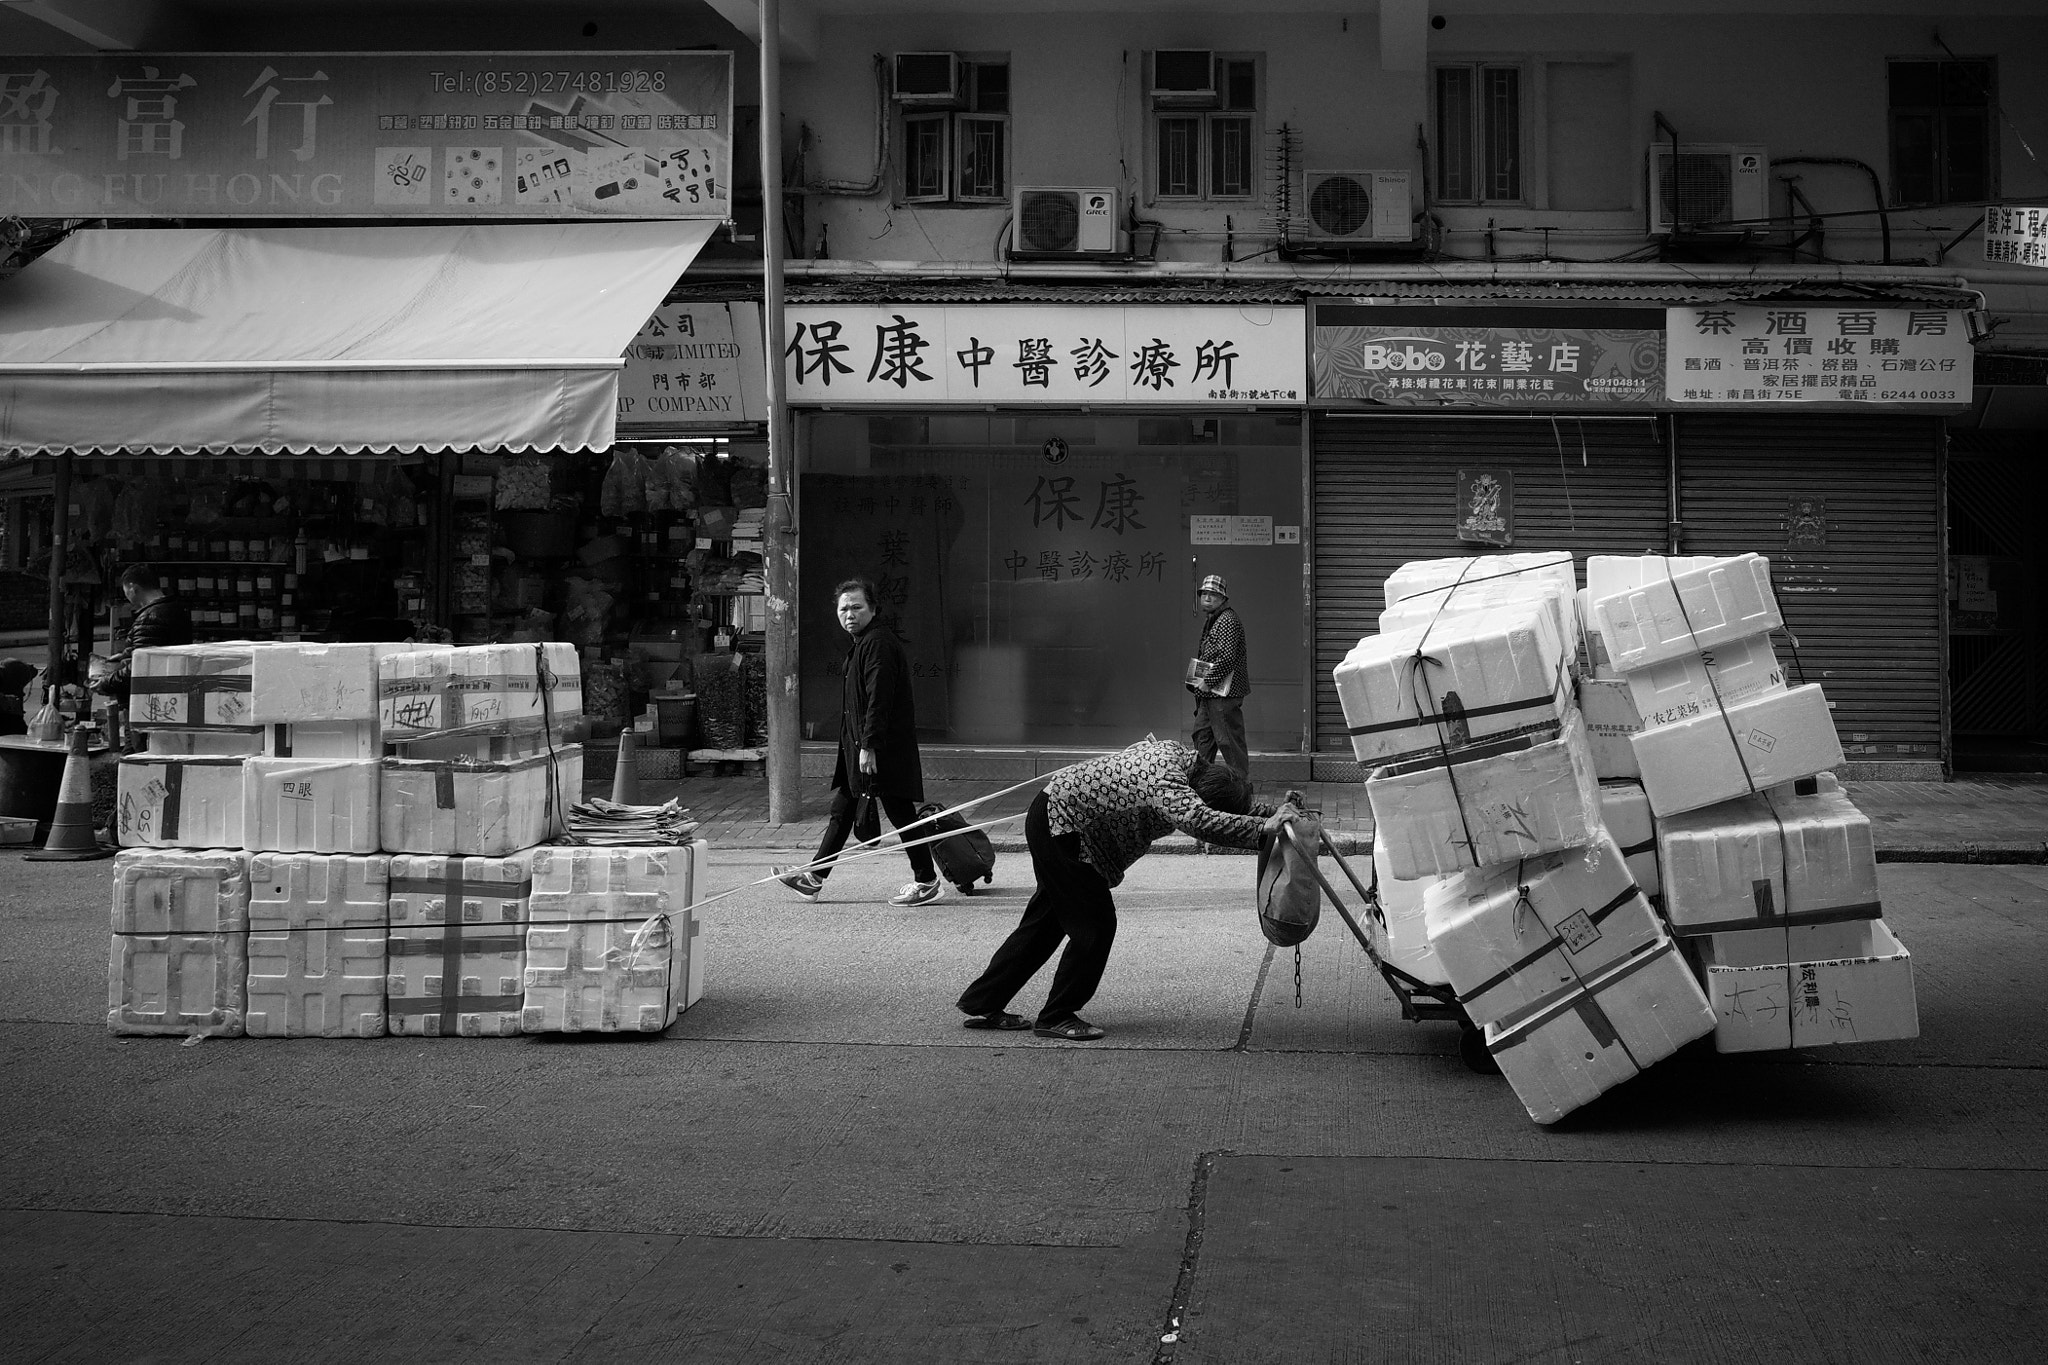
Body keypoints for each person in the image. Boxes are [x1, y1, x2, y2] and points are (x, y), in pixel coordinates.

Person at [956, 737, 1307, 1041]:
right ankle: (1057, 1016)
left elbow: (1226, 809)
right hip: (1063, 827)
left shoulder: (1182, 761)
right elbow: (1200, 819)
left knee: (1045, 924)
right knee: (1094, 924)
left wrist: (1277, 814)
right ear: (1200, 792)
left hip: (1060, 822)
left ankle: (984, 1002)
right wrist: (1264, 828)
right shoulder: (1166, 781)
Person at [775, 577, 945, 907]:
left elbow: (879, 698)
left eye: (857, 607)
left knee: (900, 813)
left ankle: (926, 880)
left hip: (879, 750)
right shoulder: (864, 642)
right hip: (864, 748)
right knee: (844, 810)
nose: (849, 614)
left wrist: (869, 745)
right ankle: (814, 877)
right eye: (843, 608)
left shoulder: (877, 643)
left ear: (873, 609)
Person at [94, 564, 194, 718]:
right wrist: (125, 655)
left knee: (138, 741)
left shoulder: (149, 618)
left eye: (126, 590)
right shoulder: (176, 609)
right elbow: (160, 651)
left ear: (133, 588)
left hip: (147, 704)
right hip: (170, 695)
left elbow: (141, 667)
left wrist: (106, 683)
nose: (126, 595)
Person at [1189, 573, 1250, 777]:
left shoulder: (1226, 620)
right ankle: (1202, 785)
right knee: (1203, 738)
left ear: (1223, 598)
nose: (1207, 597)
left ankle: (1241, 787)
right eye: (1204, 593)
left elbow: (1226, 658)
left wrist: (1208, 681)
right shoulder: (1214, 619)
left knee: (1229, 742)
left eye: (1213, 594)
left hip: (1223, 694)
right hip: (1211, 694)